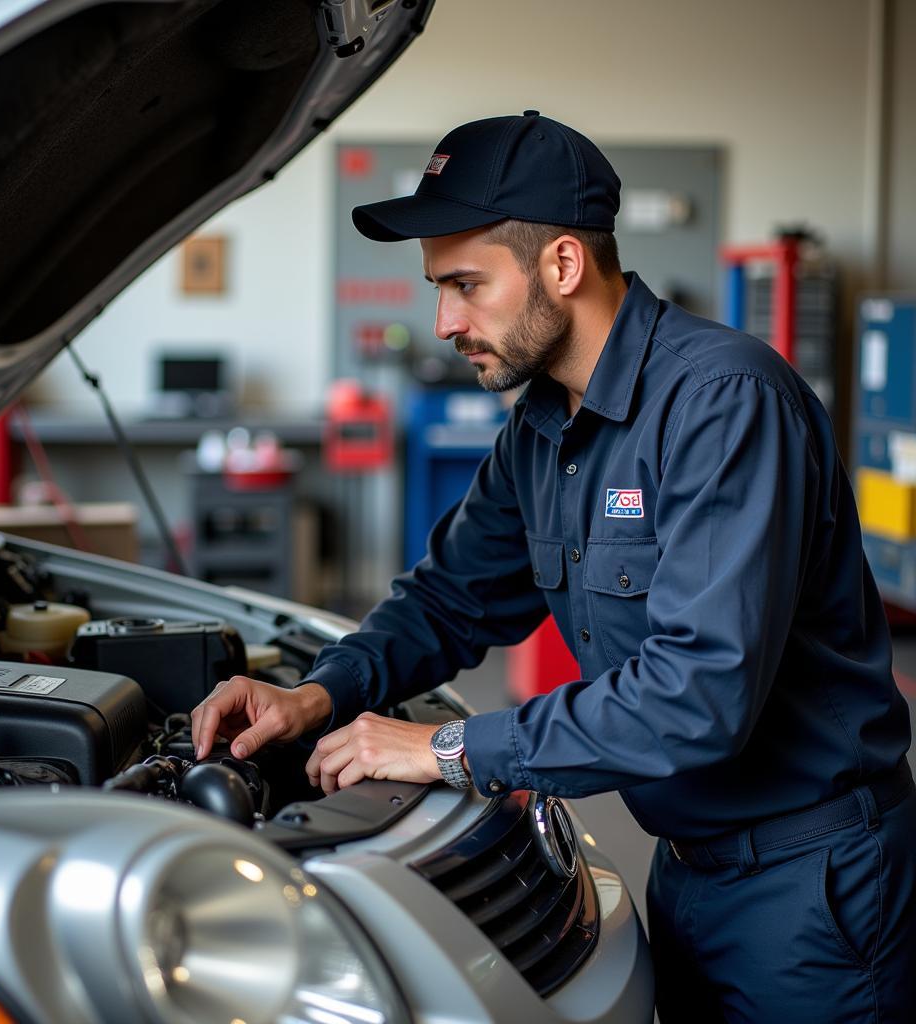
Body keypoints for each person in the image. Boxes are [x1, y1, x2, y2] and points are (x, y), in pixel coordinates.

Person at [191, 112, 916, 1021]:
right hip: (687, 869)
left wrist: (447, 749)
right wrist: (320, 693)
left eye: (465, 285)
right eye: (437, 289)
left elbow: (698, 692)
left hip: (812, 886)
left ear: (562, 266)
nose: (445, 322)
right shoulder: (542, 428)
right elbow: (449, 599)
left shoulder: (724, 403)